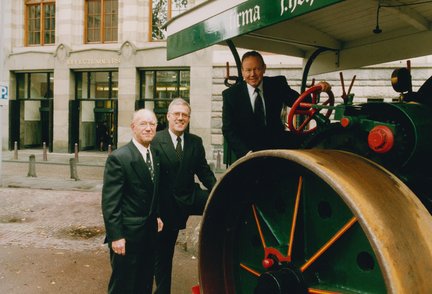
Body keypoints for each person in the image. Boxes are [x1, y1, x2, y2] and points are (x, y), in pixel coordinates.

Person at [152, 98, 217, 294]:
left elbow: (204, 172)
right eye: (177, 114)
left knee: (223, 204)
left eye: (185, 115)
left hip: (190, 196)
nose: (181, 118)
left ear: (188, 118)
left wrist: (219, 191)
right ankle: (162, 291)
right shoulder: (155, 141)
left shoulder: (195, 142)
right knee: (163, 255)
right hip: (167, 205)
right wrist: (154, 213)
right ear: (168, 117)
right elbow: (151, 182)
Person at [222, 50, 331, 159]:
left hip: (277, 146)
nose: (252, 74)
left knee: (311, 141)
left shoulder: (277, 84)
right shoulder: (231, 95)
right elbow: (228, 129)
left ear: (264, 68)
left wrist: (315, 90)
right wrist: (246, 154)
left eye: (257, 69)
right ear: (242, 72)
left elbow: (300, 104)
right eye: (248, 70)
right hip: (249, 151)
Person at [101, 109, 163, 294]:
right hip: (127, 237)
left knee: (144, 284)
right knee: (123, 286)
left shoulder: (155, 155)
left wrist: (157, 214)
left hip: (149, 234)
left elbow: (153, 191)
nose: (148, 128)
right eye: (143, 124)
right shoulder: (119, 158)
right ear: (133, 127)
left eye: (152, 124)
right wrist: (116, 236)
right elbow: (110, 203)